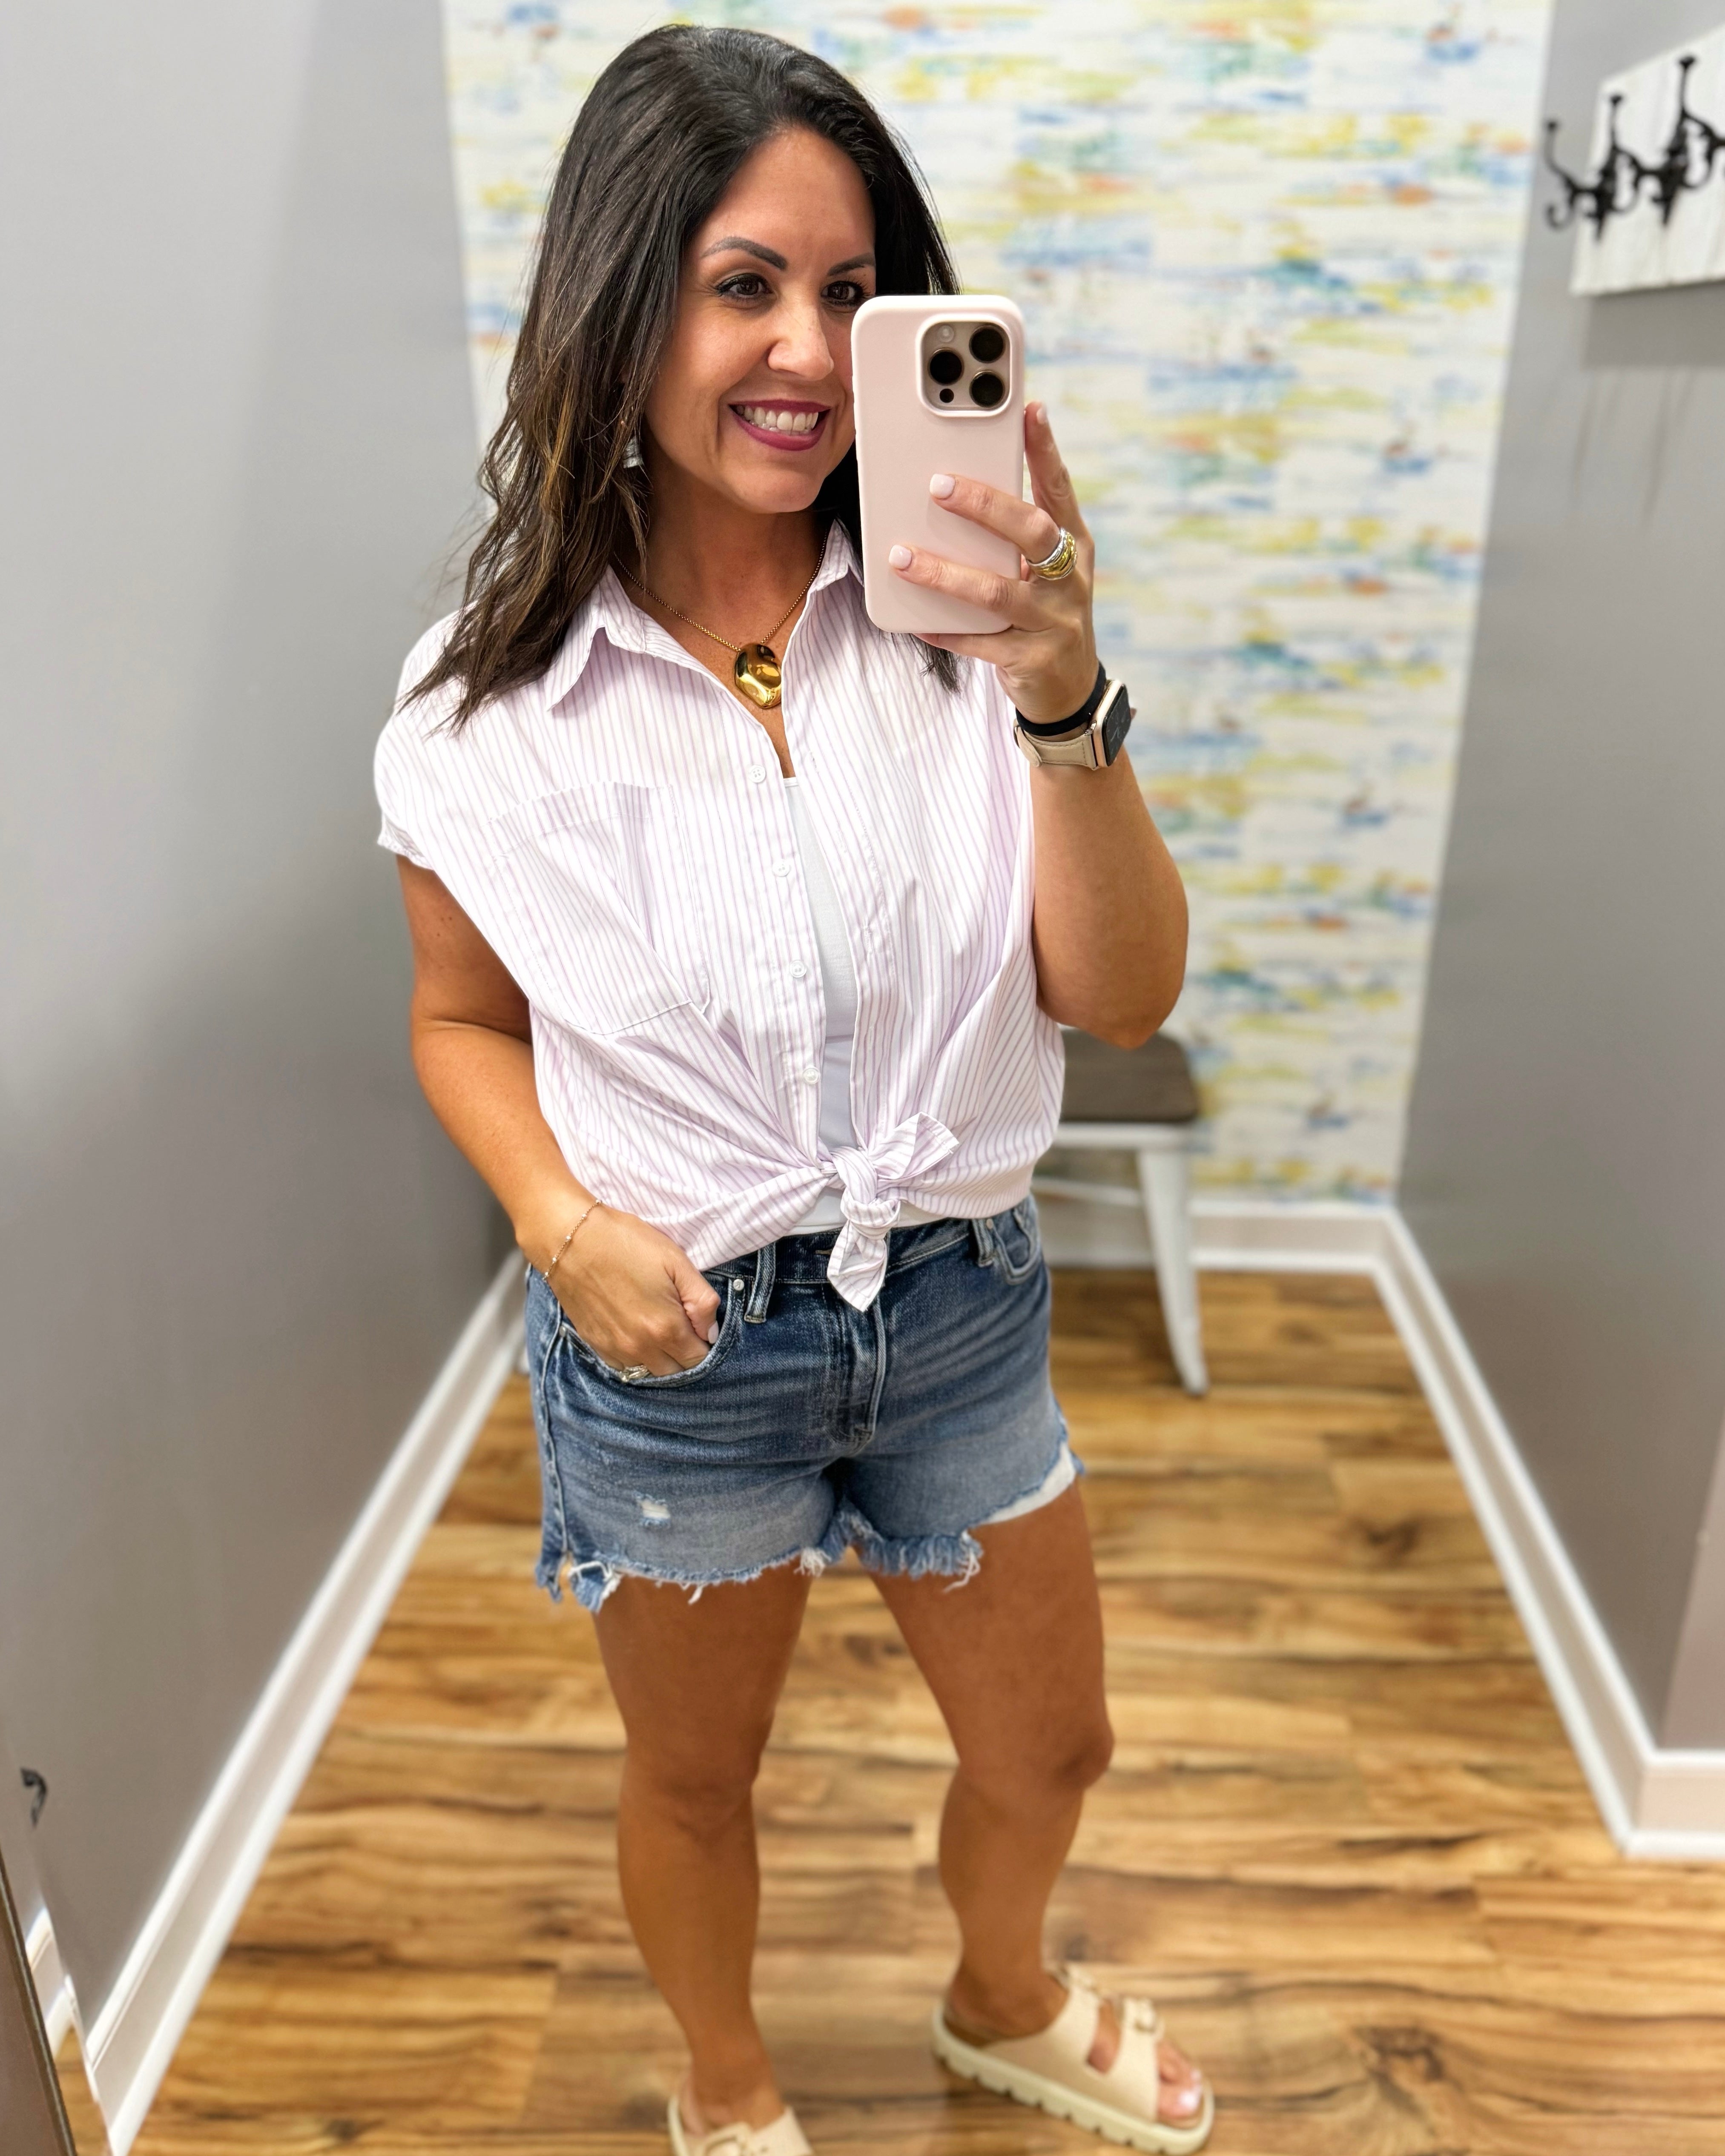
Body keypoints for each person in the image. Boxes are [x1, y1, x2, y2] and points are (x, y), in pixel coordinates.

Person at [375, 25, 1206, 2156]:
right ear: (622, 297)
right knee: (690, 1780)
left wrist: (1060, 694)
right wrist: (563, 1232)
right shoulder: (486, 701)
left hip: (959, 1304)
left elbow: (1115, 1001)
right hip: (679, 1349)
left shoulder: (966, 619)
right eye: (745, 283)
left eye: (855, 294)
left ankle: (998, 1993)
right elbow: (459, 1024)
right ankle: (721, 2082)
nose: (809, 352)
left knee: (1052, 1755)